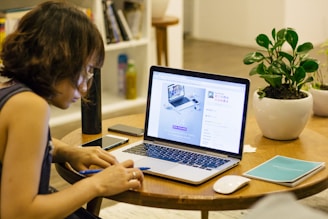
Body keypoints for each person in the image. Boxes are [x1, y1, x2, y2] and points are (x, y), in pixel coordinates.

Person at [0, 1, 143, 218]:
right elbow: (18, 213)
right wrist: (98, 184)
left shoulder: (7, 86)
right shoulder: (30, 107)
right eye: (85, 71)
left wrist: (69, 151)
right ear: (59, 59)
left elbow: (19, 146)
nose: (86, 87)